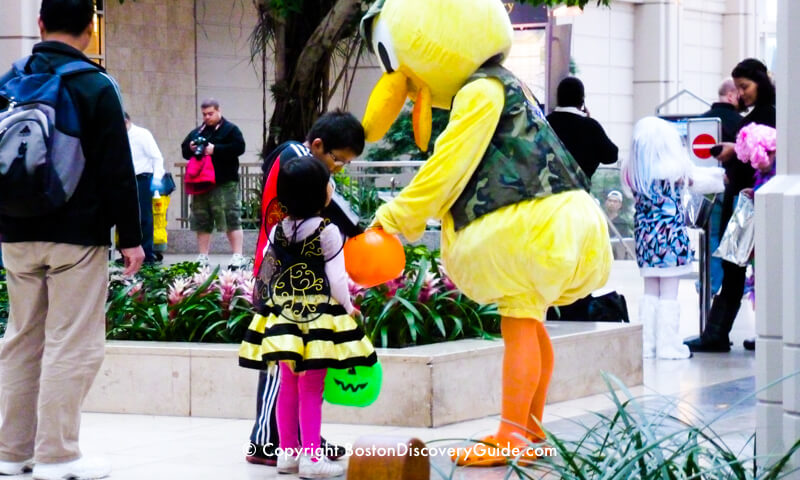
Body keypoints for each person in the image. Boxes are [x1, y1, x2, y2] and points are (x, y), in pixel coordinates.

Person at [0, 1, 144, 478]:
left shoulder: (10, 83)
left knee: (21, 339)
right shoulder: (95, 85)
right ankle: (57, 456)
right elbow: (117, 171)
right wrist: (132, 237)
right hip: (76, 237)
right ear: (90, 29)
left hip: (16, 233)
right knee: (70, 342)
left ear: (40, 24)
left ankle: (10, 451)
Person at [238, 156, 377, 478]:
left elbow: (267, 270)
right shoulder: (328, 231)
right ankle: (312, 458)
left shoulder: (277, 229)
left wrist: (264, 305)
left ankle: (288, 453)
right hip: (317, 320)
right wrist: (348, 308)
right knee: (312, 389)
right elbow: (337, 278)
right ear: (322, 194)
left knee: (288, 383)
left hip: (285, 317)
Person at [685, 59, 775, 353]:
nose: (740, 94)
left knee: (742, 267)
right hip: (744, 198)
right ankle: (724, 333)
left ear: (760, 83)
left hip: (749, 200)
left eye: (744, 87)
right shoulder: (761, 115)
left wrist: (735, 153)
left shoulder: (769, 116)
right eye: (737, 88)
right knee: (737, 267)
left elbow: (768, 158)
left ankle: (721, 333)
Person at [622, 117, 724, 360]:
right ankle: (668, 346)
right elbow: (701, 181)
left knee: (650, 291)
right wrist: (722, 176)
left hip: (645, 237)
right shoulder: (673, 170)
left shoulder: (632, 172)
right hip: (670, 237)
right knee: (669, 292)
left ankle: (646, 345)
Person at [180, 99, 246, 269]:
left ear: (218, 111)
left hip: (225, 182)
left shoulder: (230, 130)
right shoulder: (198, 132)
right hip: (201, 183)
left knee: (231, 217)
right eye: (204, 114)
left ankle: (237, 255)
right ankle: (203, 256)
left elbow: (239, 148)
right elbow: (185, 150)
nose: (207, 117)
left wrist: (215, 149)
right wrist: (192, 148)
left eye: (210, 113)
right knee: (202, 219)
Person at [698, 79, 743, 296]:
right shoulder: (742, 123)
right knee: (735, 237)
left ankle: (708, 285)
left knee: (712, 236)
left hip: (706, 187)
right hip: (734, 187)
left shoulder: (700, 121)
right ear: (732, 95)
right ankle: (734, 286)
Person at [546, 76, 619, 179]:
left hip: (546, 192)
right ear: (582, 101)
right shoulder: (591, 127)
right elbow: (611, 156)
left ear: (558, 98)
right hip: (578, 192)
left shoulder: (545, 123)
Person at [125, 112, 165, 264]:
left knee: (144, 218)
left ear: (127, 121)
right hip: (125, 179)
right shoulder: (117, 135)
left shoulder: (142, 134)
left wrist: (156, 178)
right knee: (127, 217)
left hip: (142, 178)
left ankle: (147, 254)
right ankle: (127, 253)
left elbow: (156, 157)